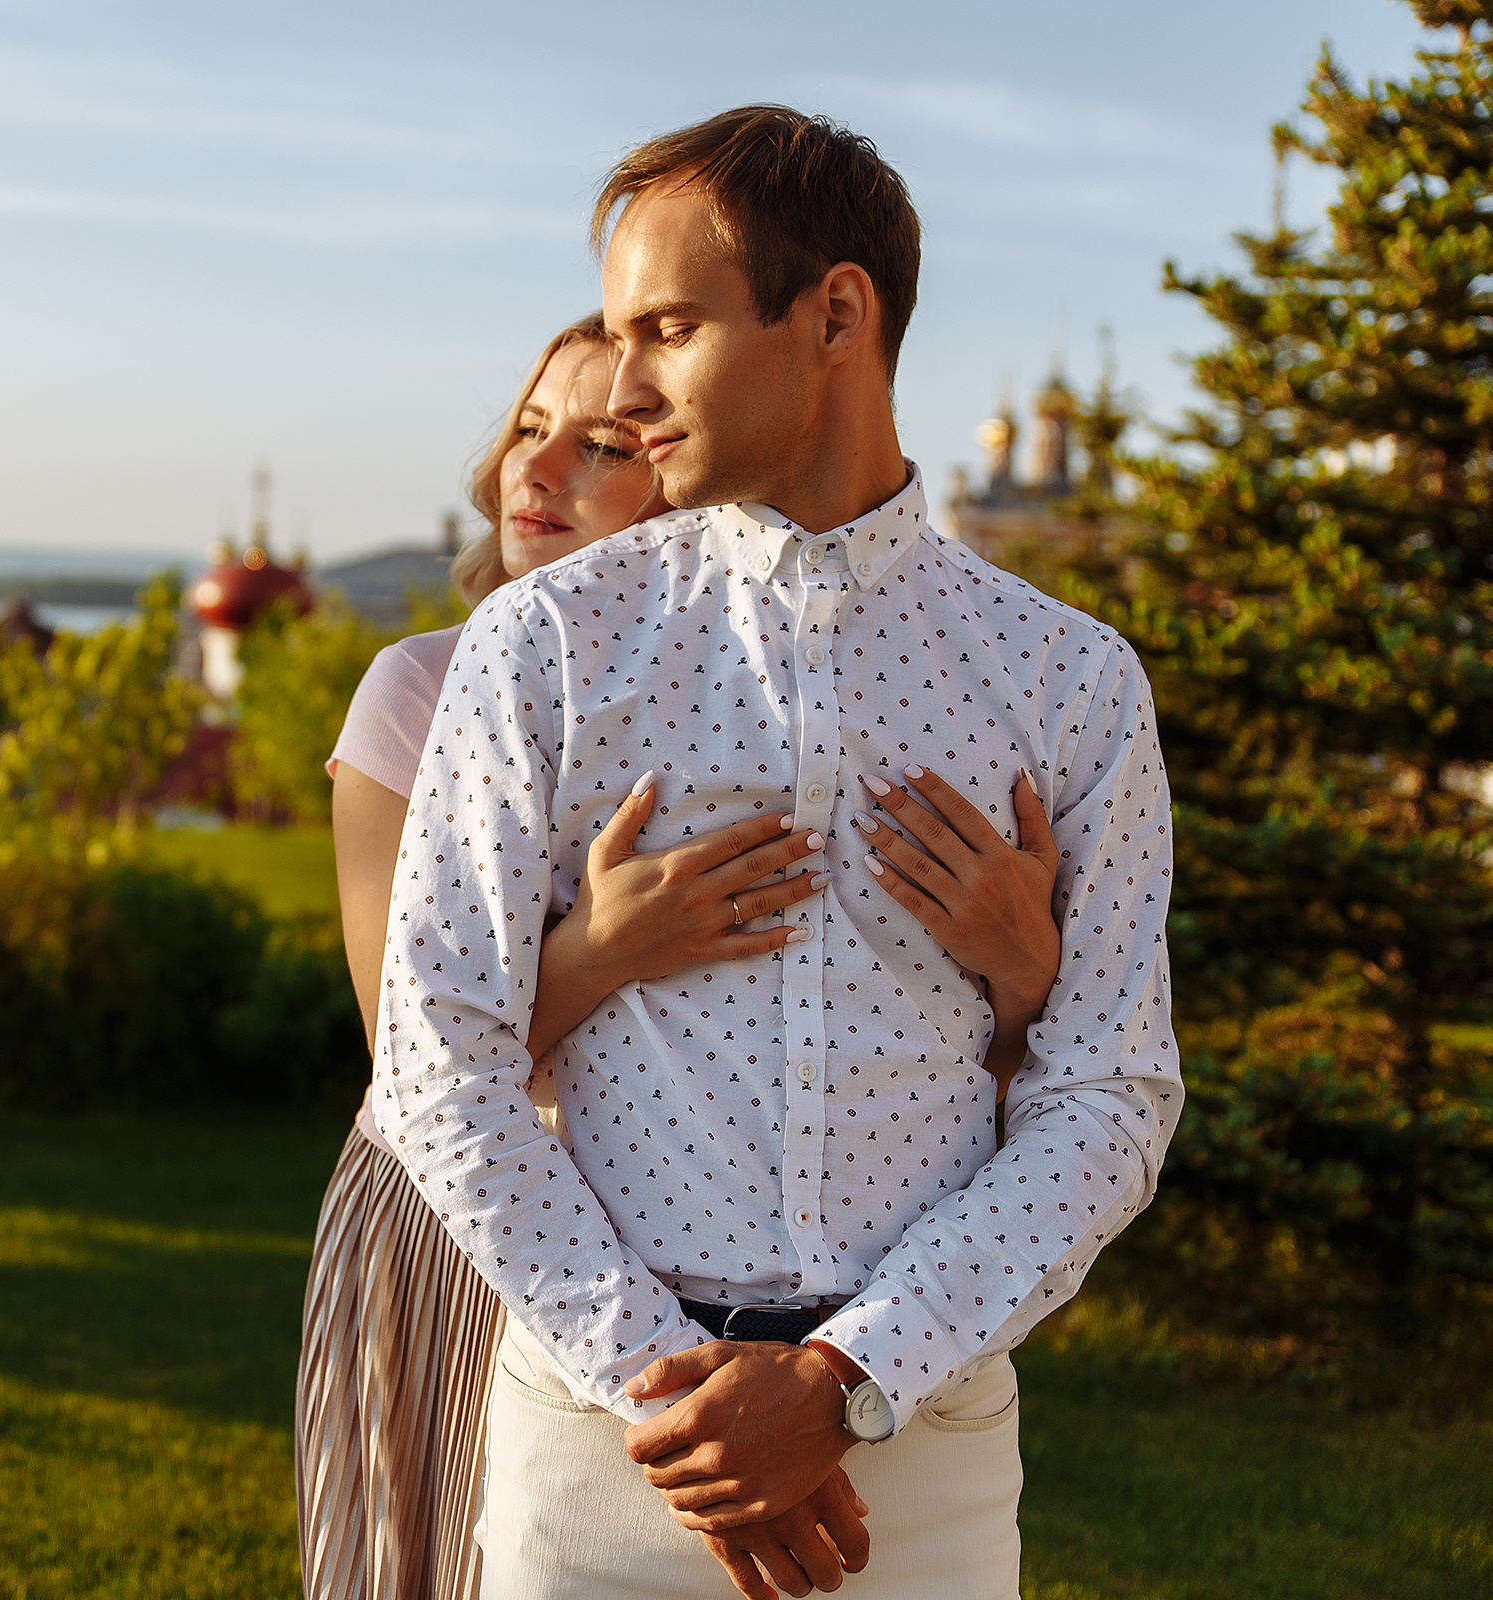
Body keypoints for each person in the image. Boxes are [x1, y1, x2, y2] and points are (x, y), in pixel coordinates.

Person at [374, 106, 1183, 1600]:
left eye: (669, 331)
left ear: (836, 316)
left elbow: (1110, 1095)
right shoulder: (544, 646)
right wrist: (670, 1395)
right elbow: (437, 1064)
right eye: (619, 333)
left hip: (922, 1470)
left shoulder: (1068, 681)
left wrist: (843, 1383)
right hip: (602, 1464)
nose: (624, 390)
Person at [298, 312, 1071, 1600]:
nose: (536, 471)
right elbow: (412, 1052)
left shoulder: (820, 694)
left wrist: (1026, 968)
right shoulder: (424, 690)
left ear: (682, 468)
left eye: (601, 444)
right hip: (471, 1223)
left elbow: (942, 1062)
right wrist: (606, 948)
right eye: (528, 431)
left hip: (750, 1275)